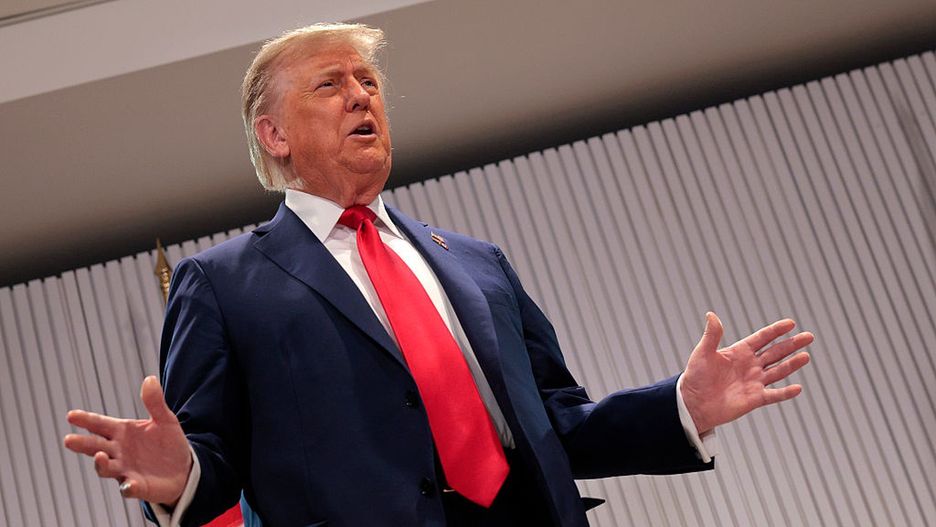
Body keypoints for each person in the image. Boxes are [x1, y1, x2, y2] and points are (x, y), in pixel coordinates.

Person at [63, 23, 813, 527]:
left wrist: (680, 406)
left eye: (369, 81)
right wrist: (181, 472)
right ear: (275, 134)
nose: (363, 95)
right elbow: (213, 463)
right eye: (330, 84)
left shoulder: (478, 262)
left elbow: (558, 425)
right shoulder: (221, 283)